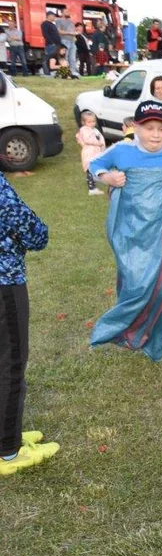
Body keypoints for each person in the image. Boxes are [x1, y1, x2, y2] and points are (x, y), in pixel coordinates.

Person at [89, 100, 162, 362]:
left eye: (161, 128)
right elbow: (94, 164)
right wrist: (107, 177)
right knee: (136, 285)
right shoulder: (121, 151)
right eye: (149, 128)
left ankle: (151, 339)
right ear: (136, 127)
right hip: (130, 232)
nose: (156, 134)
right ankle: (122, 330)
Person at [0, 172, 56, 476]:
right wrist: (39, 231)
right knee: (10, 364)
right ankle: (7, 451)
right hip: (4, 282)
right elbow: (31, 229)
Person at [76, 110, 107, 196]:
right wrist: (98, 143)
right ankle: (92, 188)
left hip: (96, 152)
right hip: (89, 153)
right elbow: (87, 140)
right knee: (90, 169)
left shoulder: (94, 130)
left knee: (95, 167)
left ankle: (97, 178)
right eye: (89, 122)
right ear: (83, 122)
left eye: (93, 121)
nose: (92, 123)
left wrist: (102, 146)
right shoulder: (84, 130)